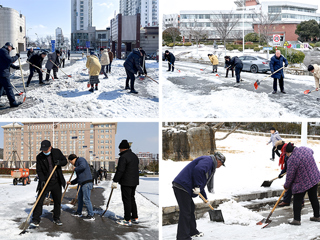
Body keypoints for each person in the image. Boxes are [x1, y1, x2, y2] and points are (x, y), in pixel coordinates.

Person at [172, 152, 226, 239]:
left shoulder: (209, 162)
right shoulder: (208, 160)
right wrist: (197, 186)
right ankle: (183, 237)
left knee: (191, 208)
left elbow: (201, 185)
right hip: (182, 186)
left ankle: (192, 231)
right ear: (219, 161)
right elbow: (198, 170)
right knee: (185, 212)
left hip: (184, 186)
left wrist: (205, 199)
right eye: (221, 164)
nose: (220, 166)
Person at [31, 140, 67, 227]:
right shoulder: (39, 157)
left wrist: (60, 163)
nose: (44, 151)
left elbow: (65, 161)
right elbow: (39, 170)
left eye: (46, 149)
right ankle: (36, 219)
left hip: (56, 181)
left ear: (50, 147)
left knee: (57, 201)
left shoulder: (57, 152)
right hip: (45, 182)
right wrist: (42, 180)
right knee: (39, 200)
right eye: (43, 150)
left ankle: (56, 218)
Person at [284, 143, 320, 225]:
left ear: (288, 152)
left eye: (286, 153)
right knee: (313, 197)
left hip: (301, 182)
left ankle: (296, 220)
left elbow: (290, 175)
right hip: (313, 177)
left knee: (297, 199)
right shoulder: (304, 149)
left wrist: (287, 186)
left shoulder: (291, 159)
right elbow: (312, 151)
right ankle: (317, 216)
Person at [112, 140, 139, 226]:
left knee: (126, 200)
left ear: (122, 148)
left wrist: (115, 181)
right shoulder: (134, 156)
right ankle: (135, 217)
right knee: (132, 198)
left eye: (119, 149)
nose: (119, 150)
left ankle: (127, 219)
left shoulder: (123, 157)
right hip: (134, 181)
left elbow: (120, 170)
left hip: (126, 182)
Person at [67, 154, 95, 221]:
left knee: (86, 199)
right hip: (82, 183)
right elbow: (79, 178)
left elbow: (83, 166)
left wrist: (75, 169)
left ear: (73, 159)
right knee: (80, 199)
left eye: (71, 162)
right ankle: (79, 212)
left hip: (87, 183)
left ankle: (91, 215)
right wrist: (71, 182)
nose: (71, 164)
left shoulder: (81, 160)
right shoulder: (77, 165)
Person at [0, 42, 22, 107]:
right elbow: (9, 60)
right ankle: (13, 103)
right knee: (8, 88)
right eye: (11, 48)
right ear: (9, 46)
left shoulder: (2, 51)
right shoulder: (4, 51)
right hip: (3, 73)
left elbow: (7, 62)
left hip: (1, 73)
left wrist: (15, 67)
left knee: (0, 88)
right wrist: (17, 56)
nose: (11, 50)